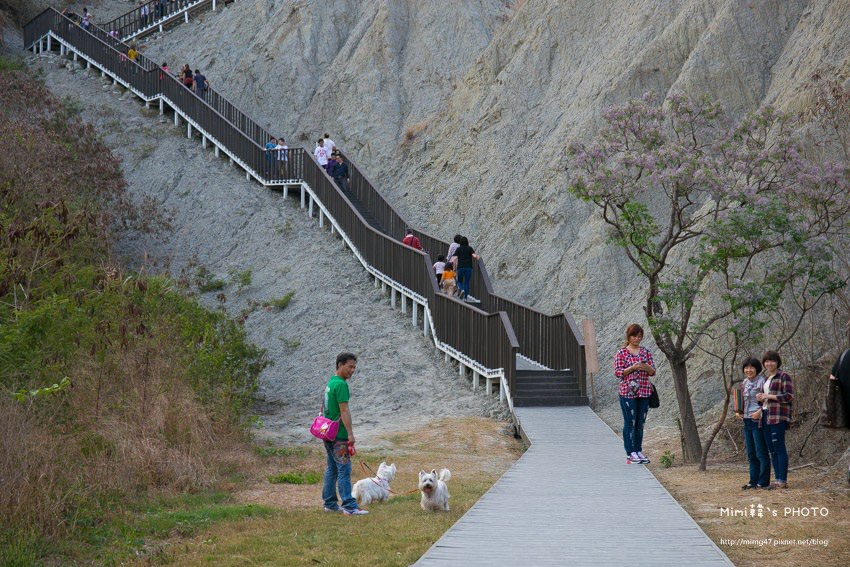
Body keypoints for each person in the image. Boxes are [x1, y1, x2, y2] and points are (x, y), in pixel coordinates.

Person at [321, 352, 368, 515]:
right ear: (340, 365)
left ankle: (329, 503)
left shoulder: (330, 383)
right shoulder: (341, 385)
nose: (352, 370)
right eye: (350, 367)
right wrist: (350, 434)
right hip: (338, 436)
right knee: (344, 469)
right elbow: (344, 410)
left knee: (332, 468)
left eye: (354, 367)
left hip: (327, 434)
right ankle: (349, 505)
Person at [614, 323, 656, 465]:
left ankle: (638, 450)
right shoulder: (622, 353)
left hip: (644, 391)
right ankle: (630, 452)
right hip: (627, 392)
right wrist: (632, 368)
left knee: (640, 423)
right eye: (634, 336)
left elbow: (653, 372)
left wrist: (646, 366)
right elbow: (618, 372)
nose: (637, 339)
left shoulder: (646, 352)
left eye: (639, 337)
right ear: (629, 336)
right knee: (630, 422)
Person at [756, 350, 794, 489]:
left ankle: (782, 480)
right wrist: (761, 398)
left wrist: (769, 396)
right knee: (771, 449)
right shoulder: (766, 378)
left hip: (778, 416)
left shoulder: (784, 376)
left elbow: (788, 396)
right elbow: (766, 400)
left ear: (777, 362)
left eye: (772, 361)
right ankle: (777, 479)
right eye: (766, 361)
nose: (769, 363)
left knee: (779, 448)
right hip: (766, 415)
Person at [736, 358, 770, 489]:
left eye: (751, 368)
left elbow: (768, 401)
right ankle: (753, 481)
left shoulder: (763, 381)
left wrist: (760, 411)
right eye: (746, 368)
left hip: (758, 420)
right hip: (747, 420)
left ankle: (763, 481)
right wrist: (738, 411)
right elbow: (743, 400)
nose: (748, 370)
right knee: (751, 453)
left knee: (761, 452)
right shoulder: (744, 382)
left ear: (757, 369)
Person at [453, 236, 479, 300]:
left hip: (460, 267)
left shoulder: (458, 249)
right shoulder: (470, 248)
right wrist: (477, 256)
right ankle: (465, 297)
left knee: (459, 281)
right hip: (468, 267)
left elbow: (455, 258)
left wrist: (454, 268)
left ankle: (462, 290)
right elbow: (474, 255)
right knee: (467, 282)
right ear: (467, 242)